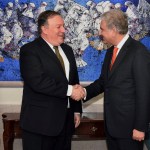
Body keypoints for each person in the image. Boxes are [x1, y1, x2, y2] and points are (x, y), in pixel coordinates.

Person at [72, 9, 150, 150]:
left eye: (102, 29)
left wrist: (140, 127)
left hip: (130, 129)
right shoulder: (110, 51)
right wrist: (84, 91)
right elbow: (103, 82)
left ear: (113, 29)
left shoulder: (138, 52)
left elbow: (144, 92)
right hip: (112, 127)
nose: (100, 33)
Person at [19, 10, 84, 150]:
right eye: (58, 26)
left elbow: (74, 80)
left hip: (65, 122)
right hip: (39, 124)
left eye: (63, 26)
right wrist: (71, 90)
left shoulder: (67, 50)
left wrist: (76, 110)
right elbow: (38, 81)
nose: (63, 30)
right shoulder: (29, 51)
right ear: (44, 29)